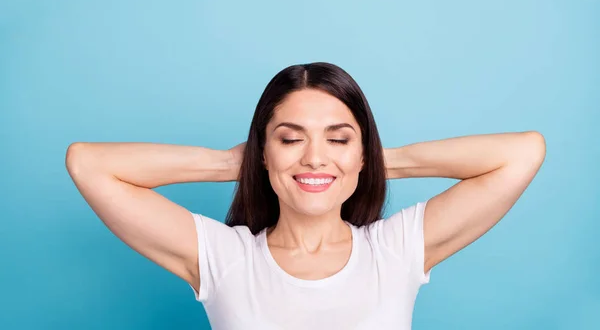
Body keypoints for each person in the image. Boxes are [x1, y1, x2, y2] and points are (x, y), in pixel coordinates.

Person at [65, 62, 546, 329]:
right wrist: (230, 162)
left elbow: (523, 153)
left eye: (337, 138)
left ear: (362, 151)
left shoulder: (396, 251)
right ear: (263, 151)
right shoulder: (223, 257)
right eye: (291, 139)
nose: (315, 158)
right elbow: (88, 163)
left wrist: (366, 161)